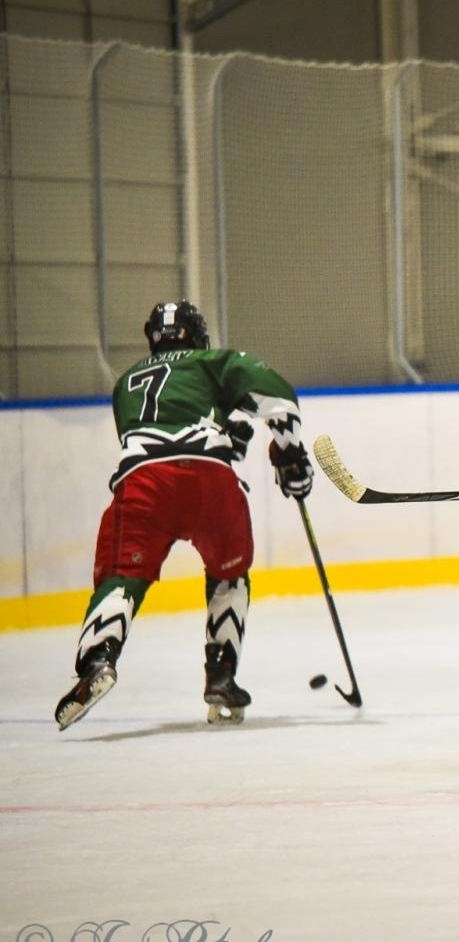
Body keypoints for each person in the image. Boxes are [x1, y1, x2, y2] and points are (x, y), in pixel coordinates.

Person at [54, 301, 313, 730]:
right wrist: (290, 456)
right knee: (230, 574)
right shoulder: (212, 362)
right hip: (211, 485)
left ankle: (98, 659)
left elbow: (163, 435)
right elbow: (279, 400)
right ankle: (222, 676)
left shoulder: (125, 384)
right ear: (197, 335)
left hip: (144, 483)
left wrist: (226, 432)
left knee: (122, 577)